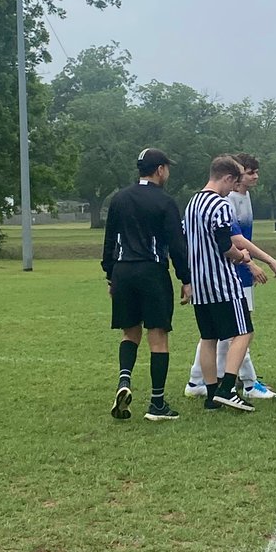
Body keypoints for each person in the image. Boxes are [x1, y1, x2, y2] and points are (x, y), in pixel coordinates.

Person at [101, 147, 191, 422]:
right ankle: (157, 403)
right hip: (152, 271)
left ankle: (124, 381)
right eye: (167, 168)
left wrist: (110, 274)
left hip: (123, 271)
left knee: (130, 334)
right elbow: (176, 245)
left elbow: (109, 241)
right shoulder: (165, 202)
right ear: (160, 169)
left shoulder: (119, 199)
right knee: (158, 336)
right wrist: (185, 279)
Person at [183, 153, 276, 402]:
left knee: (209, 338)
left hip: (200, 282)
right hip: (222, 282)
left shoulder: (192, 202)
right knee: (243, 332)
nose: (232, 190)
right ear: (226, 178)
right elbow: (224, 244)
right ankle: (228, 388)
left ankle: (210, 392)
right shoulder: (220, 204)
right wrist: (242, 257)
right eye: (232, 183)